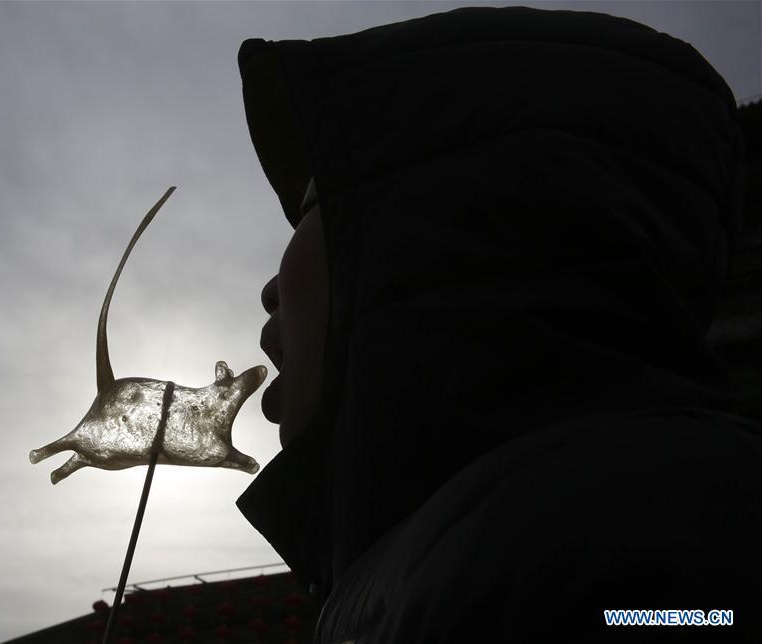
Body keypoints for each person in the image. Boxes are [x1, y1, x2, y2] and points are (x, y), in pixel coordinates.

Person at [236, 6, 762, 642]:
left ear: (445, 238)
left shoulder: (601, 566)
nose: (271, 289)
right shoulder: (478, 557)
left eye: (312, 210)